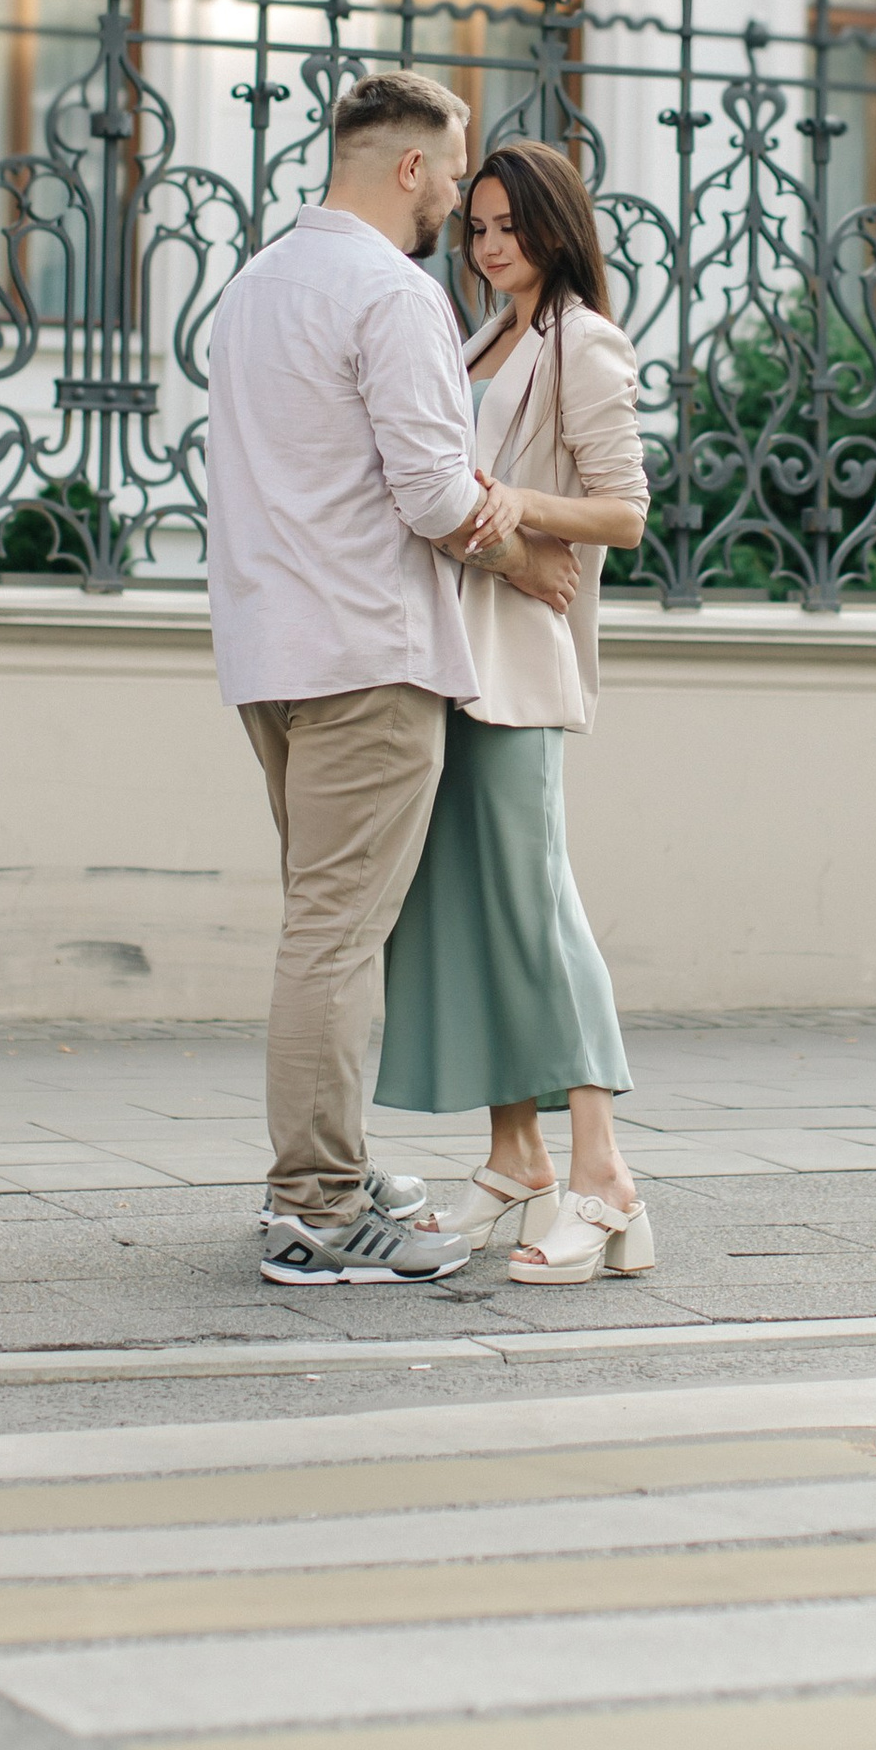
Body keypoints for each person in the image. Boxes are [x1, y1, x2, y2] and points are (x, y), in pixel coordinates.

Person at [202, 69, 577, 1289]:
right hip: (366, 655)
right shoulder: (391, 292)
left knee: (327, 925)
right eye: (454, 171)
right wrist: (524, 558)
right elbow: (432, 492)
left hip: (271, 653)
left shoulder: (257, 285)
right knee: (335, 939)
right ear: (409, 167)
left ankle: (337, 1176)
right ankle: (312, 1208)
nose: (460, 202)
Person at [376, 138, 655, 1287]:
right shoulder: (481, 334)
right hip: (452, 650)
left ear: (554, 224)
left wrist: (508, 510)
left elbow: (624, 514)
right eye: (477, 226)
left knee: (537, 912)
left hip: (519, 664)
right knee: (476, 917)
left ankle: (603, 1176)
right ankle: (514, 1159)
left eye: (508, 227)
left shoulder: (582, 343)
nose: (489, 245)